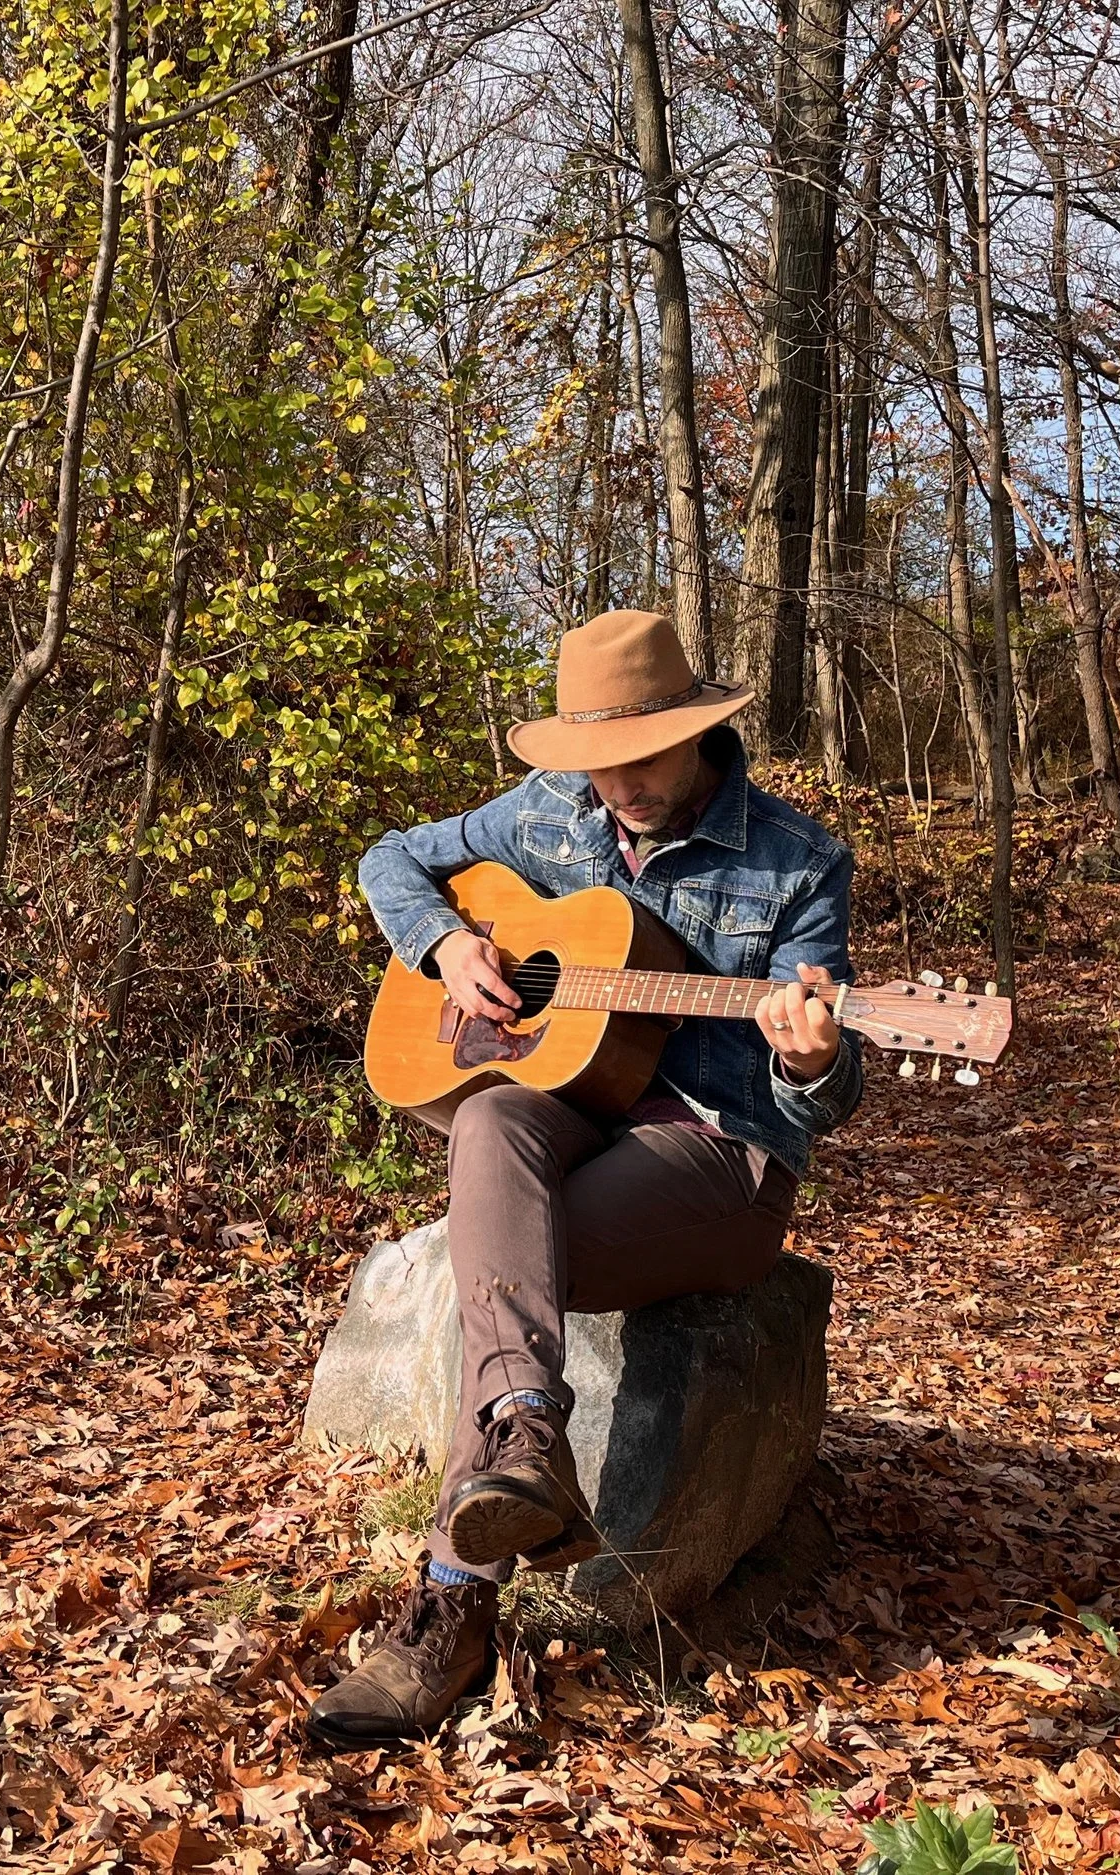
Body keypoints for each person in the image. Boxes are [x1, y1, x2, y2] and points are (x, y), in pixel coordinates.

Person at [306, 608, 864, 1746]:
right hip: (580, 1115)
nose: (619, 783)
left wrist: (815, 1057)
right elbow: (391, 859)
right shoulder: (549, 810)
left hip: (716, 1154)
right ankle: (526, 1439)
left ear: (697, 733)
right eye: (597, 760)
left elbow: (830, 1085)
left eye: (642, 757)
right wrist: (446, 946)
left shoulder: (796, 861)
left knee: (499, 1260)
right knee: (492, 1115)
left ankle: (448, 1608)